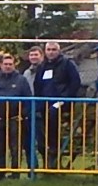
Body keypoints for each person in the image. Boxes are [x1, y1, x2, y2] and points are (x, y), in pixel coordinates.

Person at [33, 42, 81, 170]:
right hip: (44, 102)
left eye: (54, 49)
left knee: (52, 114)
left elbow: (75, 82)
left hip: (62, 101)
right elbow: (37, 85)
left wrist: (66, 98)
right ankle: (44, 149)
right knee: (36, 117)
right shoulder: (42, 66)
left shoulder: (67, 64)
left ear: (58, 51)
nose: (51, 52)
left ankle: (54, 146)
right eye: (48, 49)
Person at [0, 54, 32, 180]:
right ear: (1, 65)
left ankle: (15, 174)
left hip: (15, 119)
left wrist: (23, 115)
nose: (8, 66)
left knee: (16, 148)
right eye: (5, 64)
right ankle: (0, 175)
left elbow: (28, 98)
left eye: (10, 64)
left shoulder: (21, 80)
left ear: (14, 65)